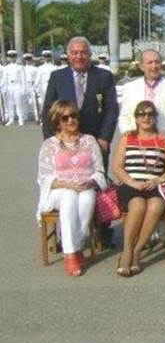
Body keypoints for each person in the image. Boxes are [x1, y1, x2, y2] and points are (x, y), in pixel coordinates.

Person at [42, 36, 120, 248]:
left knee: (98, 186)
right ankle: (68, 235)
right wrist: (51, 142)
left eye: (83, 52)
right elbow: (48, 110)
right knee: (68, 190)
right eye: (74, 52)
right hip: (64, 143)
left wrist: (104, 137)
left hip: (95, 143)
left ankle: (102, 231)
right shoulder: (57, 77)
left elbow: (112, 109)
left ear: (90, 54)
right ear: (68, 55)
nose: (79, 56)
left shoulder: (103, 76)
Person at [37, 100, 107, 276]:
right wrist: (66, 184)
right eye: (65, 118)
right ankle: (70, 254)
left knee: (87, 198)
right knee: (69, 196)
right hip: (58, 190)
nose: (70, 120)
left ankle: (77, 246)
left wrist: (91, 182)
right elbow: (44, 177)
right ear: (57, 121)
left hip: (84, 187)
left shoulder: (89, 140)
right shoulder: (49, 144)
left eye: (73, 116)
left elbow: (99, 170)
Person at [111, 100, 165, 276]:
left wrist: (159, 179)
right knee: (138, 205)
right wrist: (132, 182)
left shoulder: (163, 139)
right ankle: (127, 251)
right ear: (135, 118)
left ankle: (137, 251)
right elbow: (117, 167)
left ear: (155, 118)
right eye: (141, 114)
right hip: (130, 184)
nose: (146, 117)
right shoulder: (127, 138)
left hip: (154, 185)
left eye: (150, 114)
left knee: (156, 206)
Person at [118, 49, 165, 145]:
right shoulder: (130, 88)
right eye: (150, 63)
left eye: (157, 62)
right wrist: (127, 131)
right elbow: (124, 115)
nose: (154, 66)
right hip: (136, 143)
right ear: (141, 66)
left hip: (164, 142)